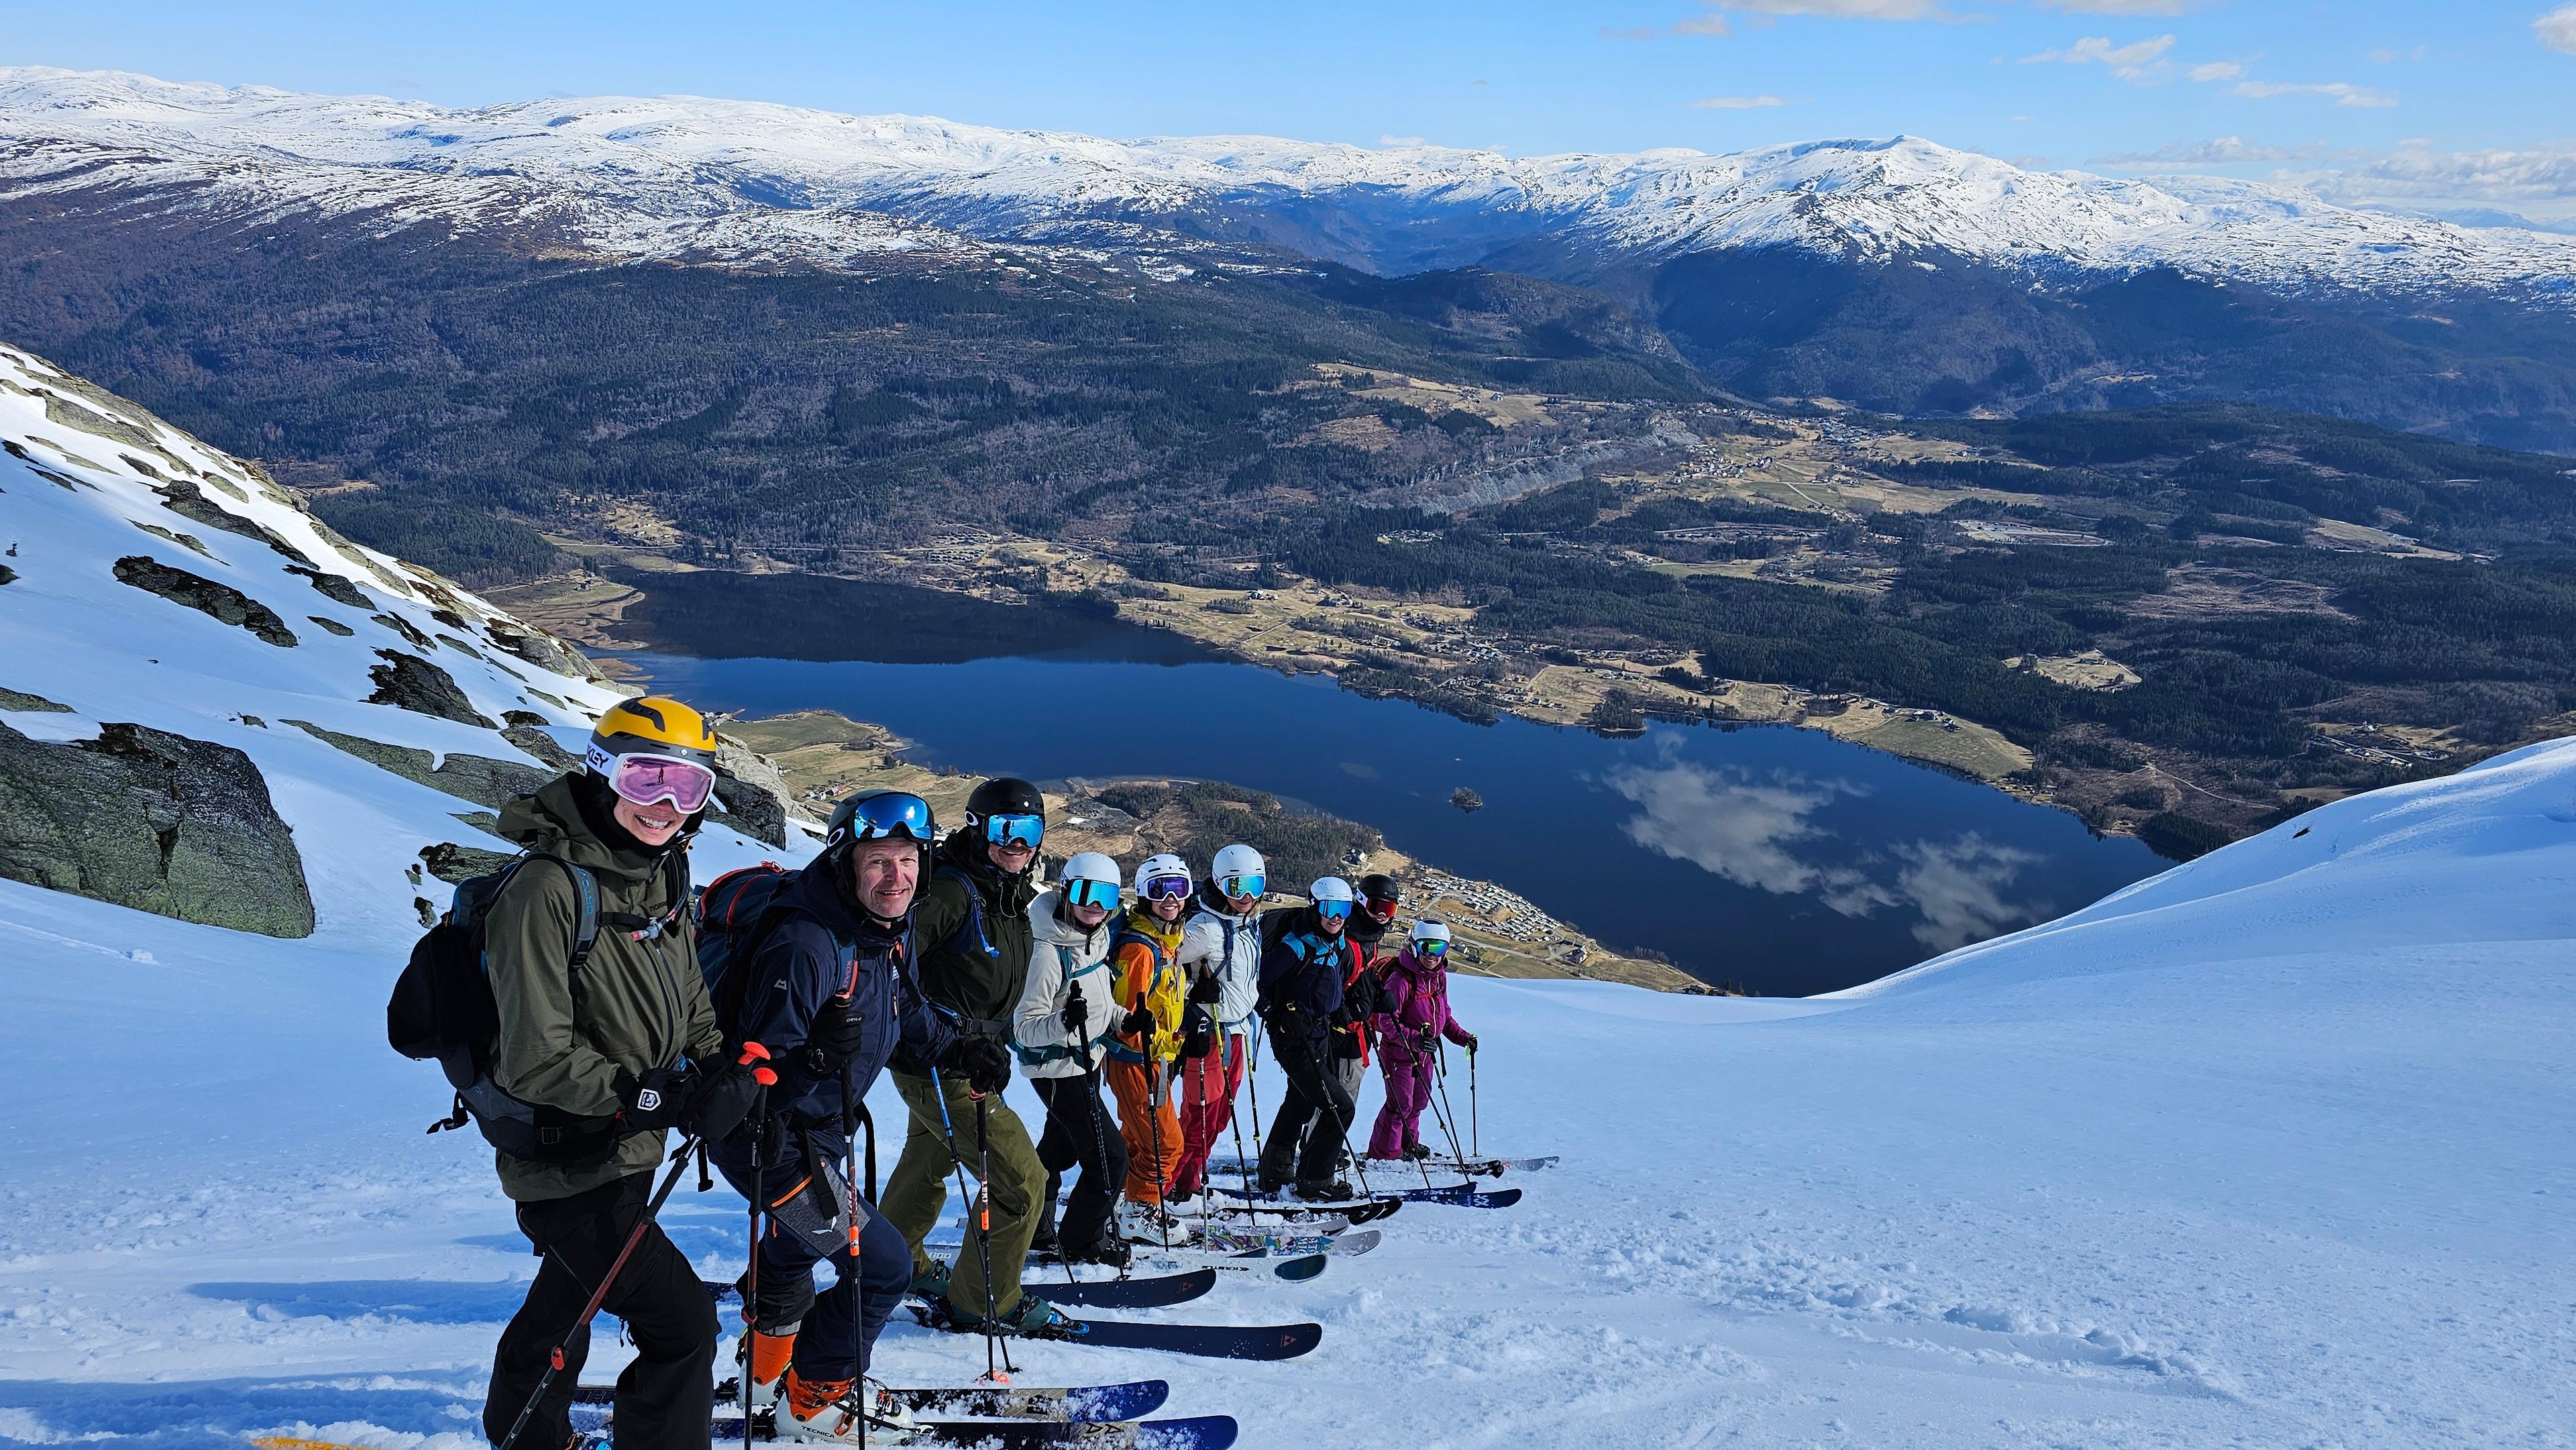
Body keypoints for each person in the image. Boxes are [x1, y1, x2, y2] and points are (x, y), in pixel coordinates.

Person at [482, 696, 751, 1450]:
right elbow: (534, 1057)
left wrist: (722, 1068)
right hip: (564, 1157)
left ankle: (524, 1435)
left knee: (568, 1298)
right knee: (684, 1324)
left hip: (627, 1146)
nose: (666, 804)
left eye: (688, 786)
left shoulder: (661, 875)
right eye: (645, 778)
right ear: (603, 773)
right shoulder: (546, 890)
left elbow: (689, 1000)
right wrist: (649, 1095)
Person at [708, 790, 1010, 1443]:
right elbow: (750, 1077)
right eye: (878, 861)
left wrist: (962, 1048)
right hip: (769, 1141)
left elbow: (909, 1013)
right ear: (846, 864)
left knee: (792, 1248)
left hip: (818, 1131)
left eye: (908, 860)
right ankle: (817, 1398)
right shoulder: (808, 944)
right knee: (883, 1266)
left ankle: (764, 1371)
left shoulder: (884, 933)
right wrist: (813, 1060)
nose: (897, 877)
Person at [880, 777, 1061, 1335]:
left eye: (1029, 830)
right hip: (942, 1064)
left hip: (968, 1061)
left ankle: (897, 1266)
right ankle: (984, 1302)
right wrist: (950, 1041)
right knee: (1022, 1184)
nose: (1018, 843)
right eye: (1006, 829)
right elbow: (890, 970)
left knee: (926, 1164)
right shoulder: (951, 892)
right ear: (978, 829)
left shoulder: (1004, 894)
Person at [1012, 851, 1131, 1268]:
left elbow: (1097, 1002)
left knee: (1059, 1149)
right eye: (1085, 893)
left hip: (1088, 1059)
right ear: (1066, 892)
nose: (1095, 906)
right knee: (1110, 1159)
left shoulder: (1094, 937)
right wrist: (1063, 1022)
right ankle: (1082, 1241)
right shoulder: (1047, 952)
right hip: (1059, 1070)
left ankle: (1035, 1224)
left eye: (1106, 897)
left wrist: (1124, 1018)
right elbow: (1024, 1029)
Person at [1253, 877, 1362, 1201]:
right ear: (1315, 908)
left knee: (1300, 1102)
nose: (1337, 917)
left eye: (1344, 910)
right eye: (1330, 908)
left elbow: (1329, 987)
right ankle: (1315, 1180)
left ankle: (1275, 1171)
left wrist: (1344, 1014)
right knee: (1340, 1108)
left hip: (1319, 1034)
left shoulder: (1335, 944)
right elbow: (1256, 984)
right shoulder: (1295, 947)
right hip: (1295, 1039)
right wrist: (1278, 1016)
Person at [1169, 844, 1265, 1203]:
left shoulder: (1246, 924)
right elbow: (1161, 966)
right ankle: (1165, 1187)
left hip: (1237, 1033)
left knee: (1220, 1115)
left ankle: (1190, 1179)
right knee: (1200, 1115)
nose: (1248, 897)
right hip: (1208, 1036)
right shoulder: (1206, 928)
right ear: (1220, 884)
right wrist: (1192, 991)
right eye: (1238, 887)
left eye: (1256, 886)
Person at [1104, 853, 1190, 1239]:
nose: (1170, 899)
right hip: (1136, 1061)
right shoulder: (1140, 949)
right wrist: (1163, 1041)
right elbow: (1127, 1020)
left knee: (1139, 1138)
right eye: (1160, 890)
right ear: (1143, 895)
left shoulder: (1166, 943)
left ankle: (1123, 1201)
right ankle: (1140, 1211)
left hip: (1157, 1060)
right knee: (1164, 1144)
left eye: (1179, 889)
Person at [1305, 872, 1398, 1176]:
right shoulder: (1348, 941)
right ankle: (1315, 1154)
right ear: (1360, 902)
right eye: (1376, 907)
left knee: (1345, 1094)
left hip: (1355, 1032)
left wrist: (1377, 993)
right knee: (1337, 1098)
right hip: (1339, 1035)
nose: (1382, 916)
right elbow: (1329, 986)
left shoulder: (1367, 938)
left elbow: (1363, 977)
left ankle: (1324, 1147)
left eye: (1389, 909)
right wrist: (1345, 1014)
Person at [1366, 919, 1478, 1162]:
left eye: (1439, 948)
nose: (1432, 955)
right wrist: (1416, 1040)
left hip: (1425, 1054)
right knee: (1400, 1105)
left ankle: (1408, 1145)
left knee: (1418, 1103)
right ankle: (1385, 1154)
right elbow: (1387, 1021)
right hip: (1398, 1054)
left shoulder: (1438, 977)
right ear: (1415, 946)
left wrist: (1463, 1038)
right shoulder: (1401, 979)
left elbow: (1443, 1015)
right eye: (1426, 947)